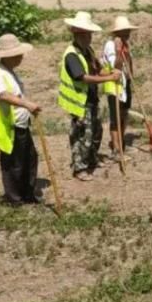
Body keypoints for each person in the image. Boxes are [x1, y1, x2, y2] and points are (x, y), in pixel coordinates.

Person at [58, 11, 120, 182]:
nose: (89, 37)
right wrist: (108, 78)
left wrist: (109, 71)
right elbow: (82, 77)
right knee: (83, 135)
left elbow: (97, 69)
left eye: (89, 34)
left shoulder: (88, 51)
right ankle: (80, 167)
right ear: (77, 34)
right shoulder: (72, 55)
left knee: (96, 131)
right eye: (86, 34)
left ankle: (92, 159)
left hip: (91, 99)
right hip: (79, 102)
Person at [0, 34, 41, 206]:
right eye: (18, 54)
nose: (21, 57)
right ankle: (14, 198)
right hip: (10, 126)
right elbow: (3, 95)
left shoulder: (9, 71)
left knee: (29, 158)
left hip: (21, 124)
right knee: (14, 163)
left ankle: (27, 194)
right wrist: (27, 104)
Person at [102, 16, 138, 157]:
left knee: (124, 114)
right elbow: (115, 67)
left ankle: (121, 143)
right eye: (125, 31)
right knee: (115, 117)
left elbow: (128, 66)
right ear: (118, 32)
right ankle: (116, 149)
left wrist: (130, 78)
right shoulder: (111, 45)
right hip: (114, 85)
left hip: (124, 84)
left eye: (128, 31)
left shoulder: (125, 44)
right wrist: (118, 51)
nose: (128, 34)